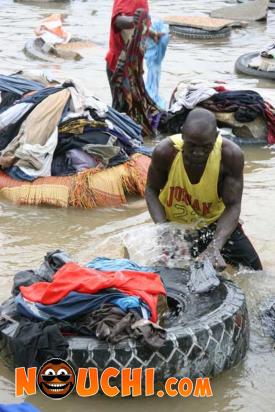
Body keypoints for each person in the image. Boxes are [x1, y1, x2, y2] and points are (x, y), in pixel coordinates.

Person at [145, 108, 262, 271]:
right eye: (191, 145)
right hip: (177, 228)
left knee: (254, 271)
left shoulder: (230, 156)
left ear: (215, 138)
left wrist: (215, 246)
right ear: (182, 135)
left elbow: (233, 205)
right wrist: (164, 230)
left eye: (206, 147)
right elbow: (151, 189)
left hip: (215, 224)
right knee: (169, 276)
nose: (198, 153)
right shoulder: (165, 152)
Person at [106, 0, 162, 99]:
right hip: (119, 65)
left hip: (134, 66)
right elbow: (117, 21)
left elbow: (142, 26)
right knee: (123, 107)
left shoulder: (143, 2)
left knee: (136, 106)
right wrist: (133, 20)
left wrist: (153, 35)